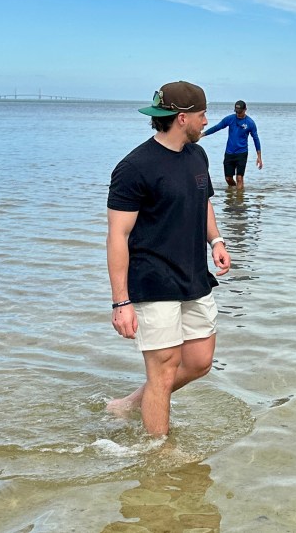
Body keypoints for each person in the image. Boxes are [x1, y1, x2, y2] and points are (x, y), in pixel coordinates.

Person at [105, 80, 231, 437]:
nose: (207, 121)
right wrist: (121, 301)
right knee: (162, 370)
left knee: (199, 361)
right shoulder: (135, 167)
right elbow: (118, 235)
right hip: (152, 281)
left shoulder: (198, 155)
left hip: (193, 275)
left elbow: (203, 199)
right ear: (181, 118)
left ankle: (128, 405)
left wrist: (216, 240)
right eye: (202, 114)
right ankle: (160, 454)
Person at [201, 100, 262, 190]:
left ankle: (239, 200)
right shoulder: (230, 119)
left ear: (245, 110)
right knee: (228, 178)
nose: (238, 114)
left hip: (242, 153)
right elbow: (217, 127)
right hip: (229, 152)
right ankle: (233, 194)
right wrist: (203, 134)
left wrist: (259, 157)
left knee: (239, 178)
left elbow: (256, 139)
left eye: (240, 112)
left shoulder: (250, 123)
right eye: (237, 112)